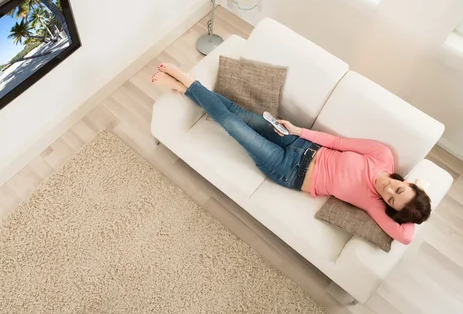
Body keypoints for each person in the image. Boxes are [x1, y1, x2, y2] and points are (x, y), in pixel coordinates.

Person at [151, 63, 432, 245]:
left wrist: (409, 204)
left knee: (231, 124)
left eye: (391, 200)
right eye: (397, 188)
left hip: (287, 169)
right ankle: (186, 88)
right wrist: (298, 130)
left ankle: (188, 82)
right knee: (238, 113)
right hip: (299, 144)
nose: (387, 191)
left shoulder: (374, 205)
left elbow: (405, 236)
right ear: (406, 181)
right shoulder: (382, 155)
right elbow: (336, 142)